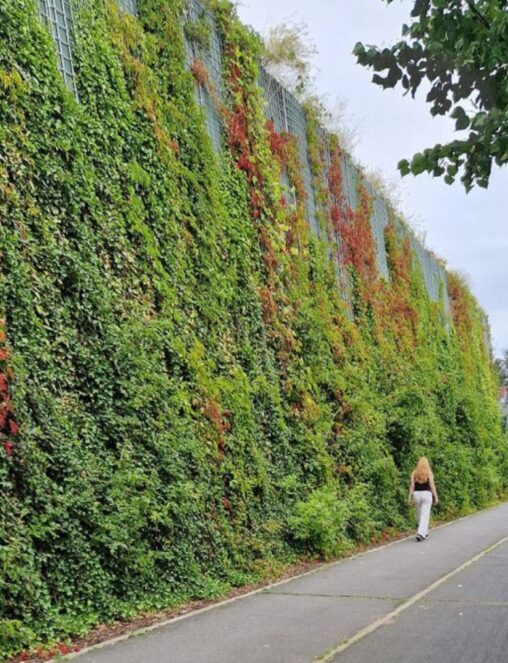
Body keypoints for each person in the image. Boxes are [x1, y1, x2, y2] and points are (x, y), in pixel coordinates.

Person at [408, 456, 438, 542]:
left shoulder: (414, 473)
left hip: (416, 494)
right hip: (426, 494)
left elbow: (412, 486)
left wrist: (409, 497)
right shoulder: (429, 473)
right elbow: (432, 486)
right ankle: (421, 532)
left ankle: (424, 531)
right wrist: (435, 496)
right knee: (425, 514)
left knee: (419, 513)